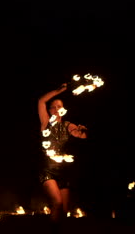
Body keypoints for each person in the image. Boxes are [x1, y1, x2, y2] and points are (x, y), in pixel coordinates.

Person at [37, 83, 87, 231]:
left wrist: (82, 131)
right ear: (50, 110)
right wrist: (58, 91)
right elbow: (41, 101)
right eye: (53, 106)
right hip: (47, 169)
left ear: (63, 110)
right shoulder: (46, 123)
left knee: (64, 211)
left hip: (64, 171)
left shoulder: (68, 125)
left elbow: (82, 136)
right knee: (57, 203)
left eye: (59, 106)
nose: (56, 109)